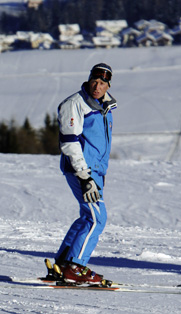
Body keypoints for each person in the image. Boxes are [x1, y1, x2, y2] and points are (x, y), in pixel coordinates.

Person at [49, 63, 117, 284]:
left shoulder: (103, 106)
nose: (97, 86)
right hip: (82, 171)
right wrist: (84, 176)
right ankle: (76, 266)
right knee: (97, 218)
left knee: (87, 216)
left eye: (102, 83)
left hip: (95, 172)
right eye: (94, 81)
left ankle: (62, 264)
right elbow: (69, 142)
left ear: (108, 85)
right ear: (88, 80)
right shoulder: (75, 104)